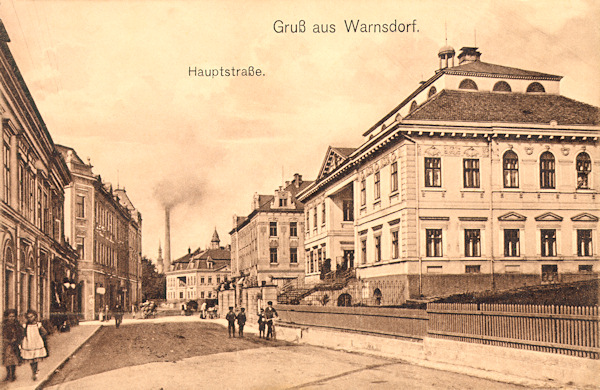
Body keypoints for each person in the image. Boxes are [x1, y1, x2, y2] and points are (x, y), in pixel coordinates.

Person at [20, 310, 48, 381]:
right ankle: (34, 371)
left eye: (31, 317)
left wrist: (39, 338)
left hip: (36, 344)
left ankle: (35, 372)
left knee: (35, 359)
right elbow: (22, 334)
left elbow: (44, 332)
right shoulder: (25, 325)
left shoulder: (38, 325)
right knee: (31, 359)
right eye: (28, 317)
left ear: (35, 316)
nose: (30, 318)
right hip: (28, 344)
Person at [2, 309, 23, 382]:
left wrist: (17, 339)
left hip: (14, 344)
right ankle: (8, 375)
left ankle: (13, 375)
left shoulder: (17, 324)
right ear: (7, 317)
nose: (12, 318)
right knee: (7, 360)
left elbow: (21, 332)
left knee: (14, 360)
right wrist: (5, 340)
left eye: (13, 316)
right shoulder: (4, 324)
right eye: (10, 316)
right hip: (7, 344)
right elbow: (2, 333)